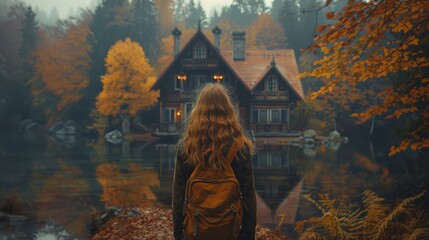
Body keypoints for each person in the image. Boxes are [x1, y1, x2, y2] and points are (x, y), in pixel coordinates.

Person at [172, 83, 257, 240]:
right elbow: (249, 197)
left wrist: (178, 234)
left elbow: (178, 196)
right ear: (228, 110)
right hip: (230, 230)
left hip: (196, 230)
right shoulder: (240, 147)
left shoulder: (186, 146)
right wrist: (248, 234)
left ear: (198, 110)